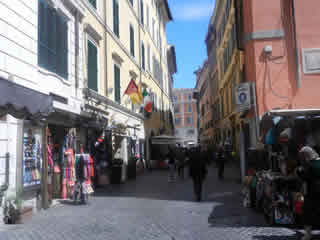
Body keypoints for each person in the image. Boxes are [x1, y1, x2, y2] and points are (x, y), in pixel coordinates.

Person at [296, 146, 320, 240]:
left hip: (313, 192)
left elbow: (305, 177)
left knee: (307, 212)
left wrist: (299, 171)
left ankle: (308, 234)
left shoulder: (311, 165)